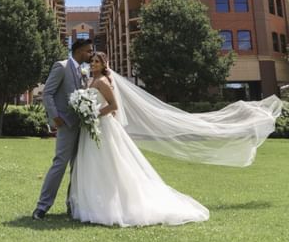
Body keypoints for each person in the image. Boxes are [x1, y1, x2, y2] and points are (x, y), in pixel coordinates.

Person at [68, 52, 282, 227]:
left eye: (97, 61)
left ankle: (112, 206)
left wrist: (94, 113)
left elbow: (113, 107)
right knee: (94, 165)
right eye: (92, 61)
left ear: (104, 64)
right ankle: (93, 204)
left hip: (103, 127)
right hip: (93, 129)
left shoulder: (104, 81)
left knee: (111, 165)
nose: (94, 64)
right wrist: (85, 111)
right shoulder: (91, 80)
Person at [32, 38, 94, 220]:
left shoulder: (82, 71)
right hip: (65, 124)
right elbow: (48, 93)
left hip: (81, 126)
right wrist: (56, 118)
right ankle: (42, 207)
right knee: (60, 164)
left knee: (78, 167)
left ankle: (72, 205)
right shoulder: (61, 66)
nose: (90, 54)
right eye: (88, 51)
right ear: (80, 51)